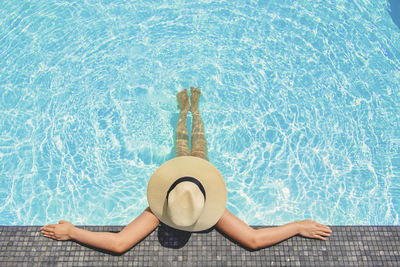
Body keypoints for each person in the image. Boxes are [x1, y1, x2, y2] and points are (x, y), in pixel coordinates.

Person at [41, 87, 332, 253]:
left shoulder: (162, 210)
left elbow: (120, 243)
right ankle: (188, 111)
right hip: (198, 173)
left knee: (189, 145)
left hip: (191, 173)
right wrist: (295, 226)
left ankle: (192, 110)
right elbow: (253, 239)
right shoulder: (203, 209)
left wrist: (73, 232)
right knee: (191, 145)